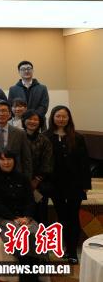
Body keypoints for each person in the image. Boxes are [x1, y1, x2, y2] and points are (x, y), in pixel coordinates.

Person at [0, 149, 43, 282]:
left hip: (25, 218)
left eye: (9, 159)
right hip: (4, 219)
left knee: (36, 234)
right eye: (2, 159)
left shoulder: (23, 178)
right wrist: (15, 219)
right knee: (21, 236)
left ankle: (32, 277)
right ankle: (28, 280)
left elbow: (30, 201)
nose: (6, 162)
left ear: (14, 160)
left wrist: (27, 217)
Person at [45, 105, 91, 263]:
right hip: (55, 185)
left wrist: (85, 184)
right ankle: (65, 247)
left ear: (69, 118)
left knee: (73, 217)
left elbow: (84, 162)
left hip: (75, 185)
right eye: (58, 116)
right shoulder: (46, 136)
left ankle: (72, 252)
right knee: (62, 217)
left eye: (64, 116)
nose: (61, 119)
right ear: (52, 117)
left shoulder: (77, 137)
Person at [0, 100, 32, 179]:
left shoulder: (20, 133)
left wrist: (27, 179)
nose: (1, 114)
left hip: (15, 174)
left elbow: (26, 158)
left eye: (4, 111)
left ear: (10, 114)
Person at [22, 110, 52, 225]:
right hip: (21, 181)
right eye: (29, 119)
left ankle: (41, 234)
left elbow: (47, 162)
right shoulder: (18, 136)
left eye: (36, 119)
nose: (32, 122)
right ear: (24, 120)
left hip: (40, 183)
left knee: (40, 213)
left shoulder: (44, 140)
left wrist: (36, 180)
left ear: (40, 122)